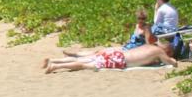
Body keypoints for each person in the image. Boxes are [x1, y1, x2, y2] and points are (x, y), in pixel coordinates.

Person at [44, 38, 177, 73]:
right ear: (167, 50)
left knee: (87, 58)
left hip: (117, 53)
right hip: (119, 60)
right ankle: (54, 67)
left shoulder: (149, 46)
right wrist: (173, 59)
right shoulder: (159, 52)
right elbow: (171, 63)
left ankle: (53, 60)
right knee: (85, 65)